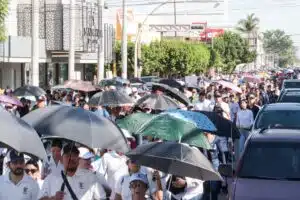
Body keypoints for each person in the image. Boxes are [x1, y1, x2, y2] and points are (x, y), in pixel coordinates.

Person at [39, 144, 103, 200]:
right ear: (61, 159)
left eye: (74, 155)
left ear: (78, 159)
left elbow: (102, 197)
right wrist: (53, 198)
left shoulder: (90, 176)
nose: (71, 158)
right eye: (67, 156)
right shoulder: (50, 179)